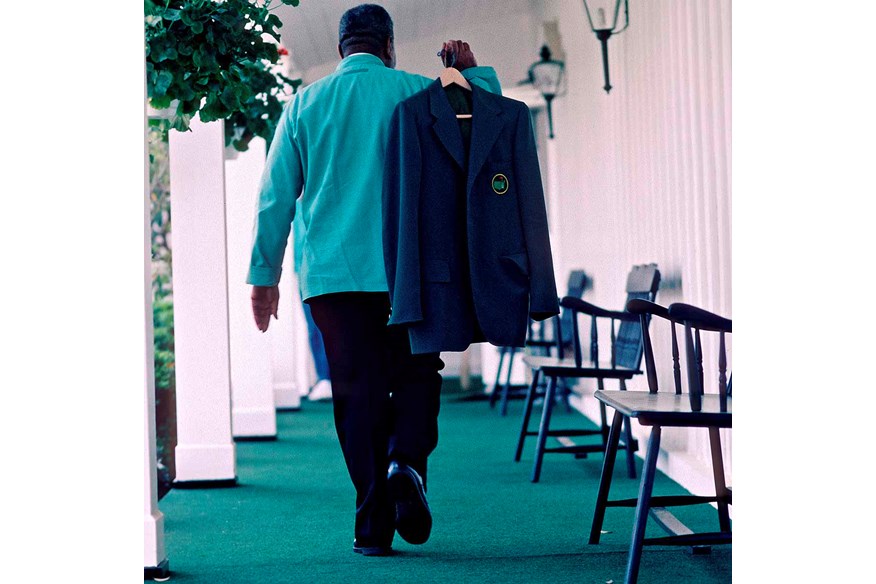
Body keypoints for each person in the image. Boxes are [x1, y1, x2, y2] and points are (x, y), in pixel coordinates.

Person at [247, 4, 501, 556]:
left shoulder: (304, 105)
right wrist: (472, 71)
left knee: (356, 391)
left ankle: (372, 527)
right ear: (388, 47)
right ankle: (405, 461)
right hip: (413, 272)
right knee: (417, 371)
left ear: (341, 49)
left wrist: (263, 277)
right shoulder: (418, 91)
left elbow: (273, 200)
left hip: (335, 280)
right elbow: (488, 123)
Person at [291, 201, 332, 402]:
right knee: (314, 325)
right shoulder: (297, 198)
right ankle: (325, 377)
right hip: (304, 265)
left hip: (328, 261)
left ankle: (329, 377)